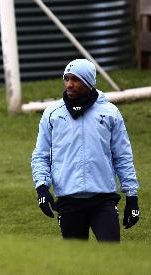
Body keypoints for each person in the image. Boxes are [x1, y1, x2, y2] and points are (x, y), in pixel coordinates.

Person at [31, 59, 141, 242]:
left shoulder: (110, 113)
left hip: (103, 200)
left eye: (76, 79)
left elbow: (122, 157)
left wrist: (132, 197)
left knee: (112, 259)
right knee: (77, 265)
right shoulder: (52, 113)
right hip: (68, 202)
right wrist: (42, 188)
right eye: (66, 78)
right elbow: (41, 156)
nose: (69, 84)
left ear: (89, 82)